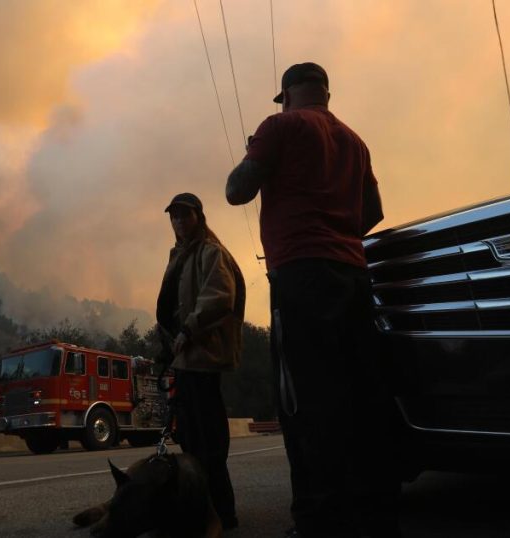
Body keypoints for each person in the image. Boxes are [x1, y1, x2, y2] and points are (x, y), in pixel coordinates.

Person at [225, 62, 399, 537]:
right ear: (326, 93)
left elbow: (237, 191)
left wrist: (250, 157)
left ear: (287, 95)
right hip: (354, 276)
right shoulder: (354, 141)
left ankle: (318, 520)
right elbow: (374, 212)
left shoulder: (280, 126)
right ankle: (371, 512)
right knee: (358, 395)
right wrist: (337, 234)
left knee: (304, 400)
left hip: (301, 276)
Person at [155, 192, 246, 531]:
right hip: (185, 360)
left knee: (209, 443)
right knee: (191, 441)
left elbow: (220, 296)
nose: (179, 221)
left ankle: (224, 513)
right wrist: (167, 347)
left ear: (199, 217)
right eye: (174, 216)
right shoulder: (179, 256)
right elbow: (174, 308)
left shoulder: (210, 253)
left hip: (203, 358)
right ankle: (200, 509)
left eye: (185, 215)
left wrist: (189, 329)